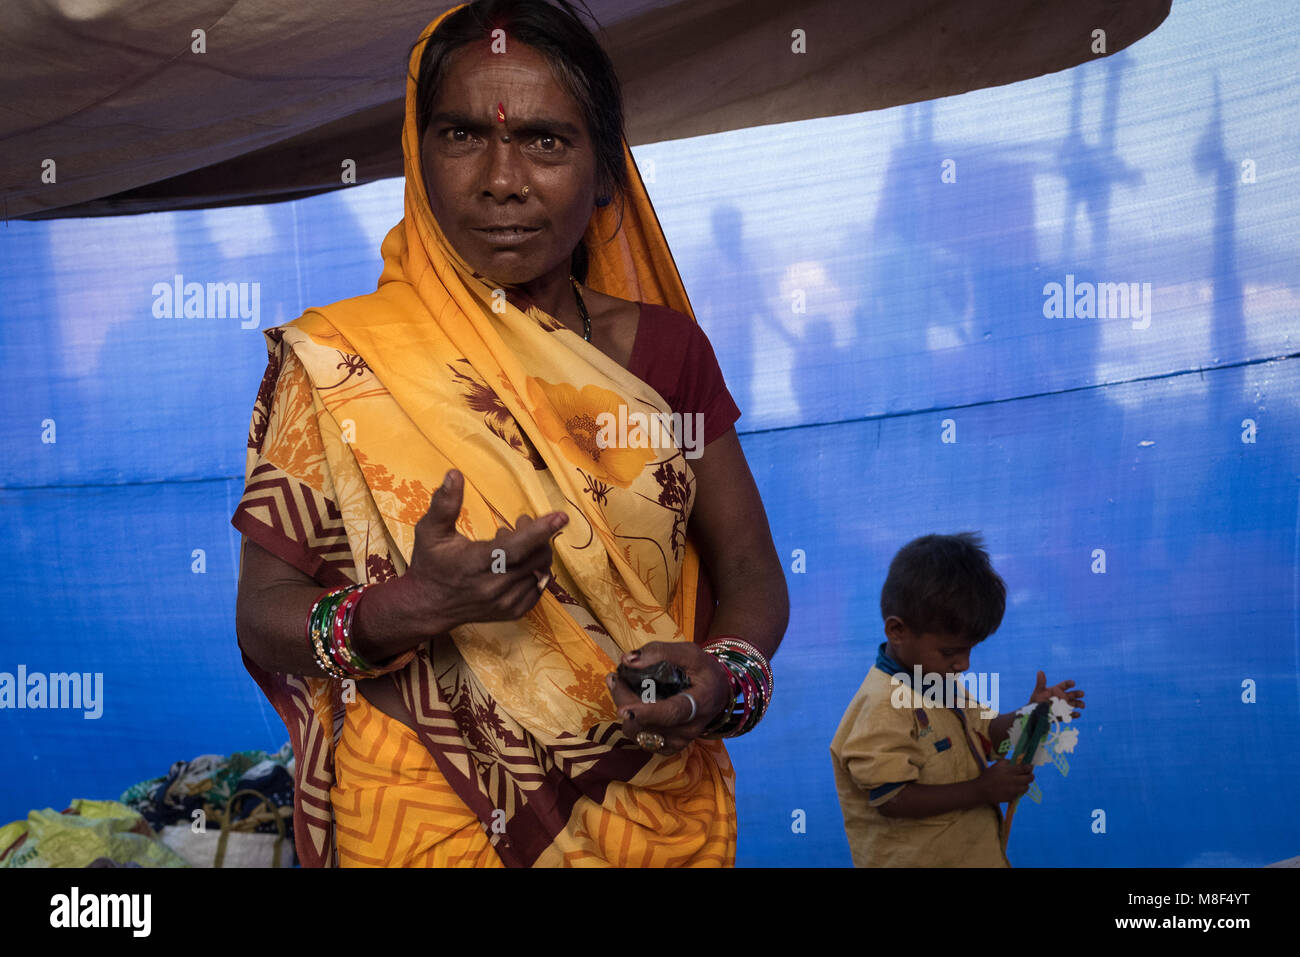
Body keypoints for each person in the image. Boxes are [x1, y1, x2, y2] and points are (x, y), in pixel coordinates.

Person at [231, 0, 788, 868]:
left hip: (648, 804)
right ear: (421, 159)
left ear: (605, 172)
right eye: (462, 137)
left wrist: (722, 676)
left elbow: (751, 568)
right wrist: (402, 608)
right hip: (425, 812)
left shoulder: (667, 354)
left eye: (545, 141)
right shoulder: (343, 361)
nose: (502, 179)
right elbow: (261, 615)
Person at [829, 533, 1084, 867]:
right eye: (950, 651)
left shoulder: (940, 681)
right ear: (897, 631)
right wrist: (982, 790)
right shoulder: (881, 705)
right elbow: (892, 799)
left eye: (969, 649)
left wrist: (1033, 714)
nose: (964, 664)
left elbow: (988, 733)